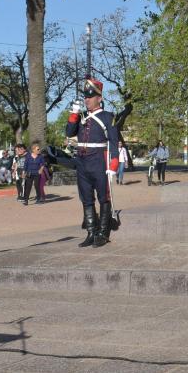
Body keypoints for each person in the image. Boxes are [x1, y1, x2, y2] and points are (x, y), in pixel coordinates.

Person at [66, 78, 120, 247]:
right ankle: (91, 231)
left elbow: (113, 141)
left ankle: (103, 233)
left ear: (99, 97)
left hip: (98, 159)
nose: (87, 100)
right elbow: (69, 132)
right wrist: (74, 114)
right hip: (82, 160)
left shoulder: (108, 117)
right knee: (86, 197)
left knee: (103, 196)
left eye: (90, 96)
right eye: (85, 97)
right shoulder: (81, 117)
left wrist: (113, 164)